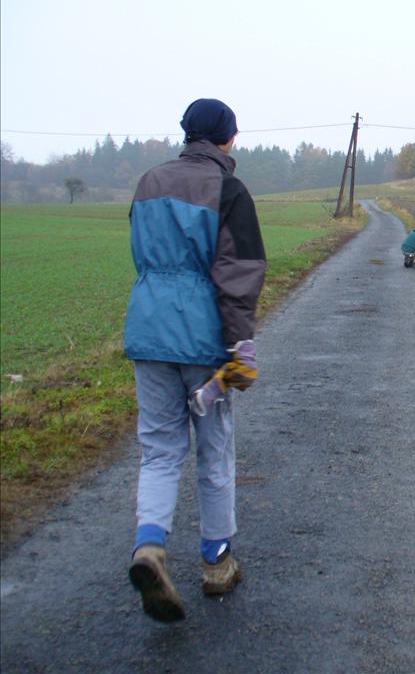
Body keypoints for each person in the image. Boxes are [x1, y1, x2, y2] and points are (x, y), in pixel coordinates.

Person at [123, 98, 266, 623]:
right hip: (203, 338)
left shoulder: (148, 182)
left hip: (149, 330)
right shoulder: (229, 189)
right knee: (214, 450)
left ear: (188, 135)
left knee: (159, 450)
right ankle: (216, 562)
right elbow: (239, 274)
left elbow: (142, 255)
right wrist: (241, 346)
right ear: (228, 138)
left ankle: (149, 546)